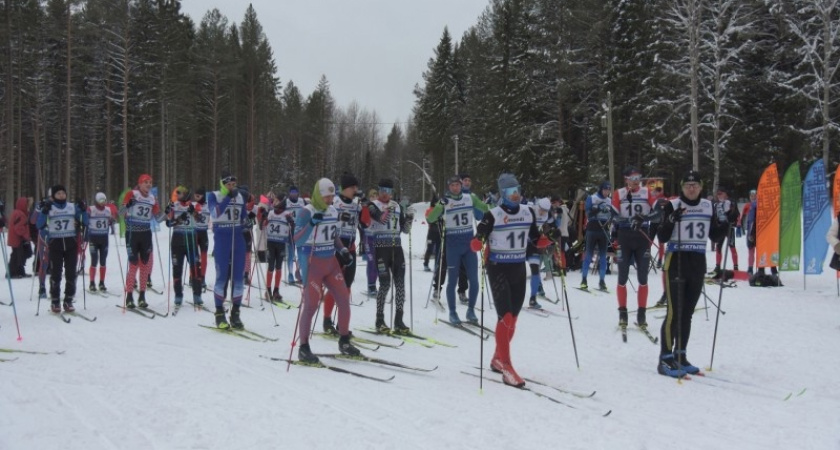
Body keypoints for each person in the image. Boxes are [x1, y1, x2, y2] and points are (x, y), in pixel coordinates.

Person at [472, 173, 540, 387]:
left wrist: (551, 238)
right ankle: (507, 368)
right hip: (497, 268)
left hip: (518, 268)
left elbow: (537, 239)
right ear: (502, 194)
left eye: (517, 190)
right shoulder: (493, 215)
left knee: (514, 319)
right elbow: (479, 237)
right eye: (511, 192)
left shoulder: (529, 212)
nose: (516, 195)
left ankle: (497, 359)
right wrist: (478, 241)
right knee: (506, 317)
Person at [656, 170, 725, 377]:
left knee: (687, 313)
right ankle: (665, 359)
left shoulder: (707, 206)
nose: (692, 189)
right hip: (677, 260)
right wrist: (671, 220)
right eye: (688, 186)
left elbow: (715, 234)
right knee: (674, 312)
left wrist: (727, 222)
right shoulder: (673, 205)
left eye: (695, 185)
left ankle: (680, 355)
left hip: (697, 261)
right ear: (682, 188)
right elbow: (662, 235)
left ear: (701, 187)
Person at [293, 178, 360, 362]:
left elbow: (334, 235)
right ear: (318, 195)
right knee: (311, 306)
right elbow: (297, 240)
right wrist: (311, 224)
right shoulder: (306, 212)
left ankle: (344, 340)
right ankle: (304, 347)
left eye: (331, 196)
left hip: (330, 262)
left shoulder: (332, 210)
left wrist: (343, 250)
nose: (330, 200)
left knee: (344, 299)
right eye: (326, 197)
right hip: (312, 263)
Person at [425, 175, 488, 324]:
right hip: (452, 245)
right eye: (452, 185)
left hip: (468, 244)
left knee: (474, 280)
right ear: (449, 187)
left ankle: (471, 310)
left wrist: (496, 204)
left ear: (461, 185)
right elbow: (430, 219)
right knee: (452, 281)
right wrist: (439, 205)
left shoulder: (470, 198)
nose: (455, 187)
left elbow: (485, 208)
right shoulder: (445, 201)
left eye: (457, 185)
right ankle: (453, 313)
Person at [612, 167, 660, 330]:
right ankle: (623, 313)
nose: (635, 181)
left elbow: (658, 213)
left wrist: (643, 218)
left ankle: (641, 314)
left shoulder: (647, 192)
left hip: (642, 237)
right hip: (624, 237)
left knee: (643, 278)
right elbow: (613, 215)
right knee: (622, 277)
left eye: (638, 177)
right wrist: (623, 220)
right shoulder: (619, 193)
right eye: (632, 178)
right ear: (626, 179)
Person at [321, 172, 366, 334]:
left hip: (351, 249)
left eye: (356, 187)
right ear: (346, 188)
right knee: (334, 286)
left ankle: (342, 323)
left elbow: (366, 224)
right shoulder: (335, 202)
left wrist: (366, 206)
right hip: (336, 249)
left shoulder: (357, 204)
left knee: (347, 286)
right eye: (353, 187)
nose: (356, 190)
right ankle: (327, 320)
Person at [367, 178, 413, 333]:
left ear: (392, 192)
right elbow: (380, 217)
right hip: (381, 248)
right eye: (381, 190)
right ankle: (379, 320)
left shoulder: (397, 206)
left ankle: (399, 320)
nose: (384, 194)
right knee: (385, 283)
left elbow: (405, 230)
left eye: (387, 191)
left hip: (396, 247)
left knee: (400, 284)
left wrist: (409, 219)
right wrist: (388, 210)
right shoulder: (373, 205)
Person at [207, 170, 249, 329]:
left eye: (234, 184)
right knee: (222, 276)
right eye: (228, 184)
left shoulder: (240, 197)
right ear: (222, 184)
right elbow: (214, 213)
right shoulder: (214, 195)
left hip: (238, 240)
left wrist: (247, 222)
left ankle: (236, 314)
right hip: (222, 240)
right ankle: (219, 313)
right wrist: (227, 199)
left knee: (238, 278)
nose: (232, 187)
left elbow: (243, 217)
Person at [37, 185, 89, 313]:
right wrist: (44, 211)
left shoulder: (72, 207)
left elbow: (86, 222)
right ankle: (55, 301)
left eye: (63, 193)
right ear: (54, 195)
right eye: (58, 193)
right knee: (56, 273)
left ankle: (68, 300)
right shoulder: (50, 207)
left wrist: (83, 210)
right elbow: (39, 225)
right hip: (55, 244)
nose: (61, 195)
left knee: (71, 273)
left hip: (71, 243)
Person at [120, 174, 166, 309]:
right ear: (139, 184)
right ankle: (129, 296)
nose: (149, 185)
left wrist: (168, 212)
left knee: (145, 265)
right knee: (133, 264)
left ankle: (142, 296)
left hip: (146, 234)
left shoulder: (152, 198)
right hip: (132, 234)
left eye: (150, 182)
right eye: (145, 182)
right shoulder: (131, 194)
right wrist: (128, 205)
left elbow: (158, 217)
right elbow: (120, 212)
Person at [165, 186, 204, 306]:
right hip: (177, 240)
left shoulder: (193, 205)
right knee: (177, 268)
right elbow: (168, 223)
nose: (178, 195)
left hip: (191, 240)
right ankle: (178, 295)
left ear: (186, 194)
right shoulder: (174, 205)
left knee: (195, 268)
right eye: (177, 193)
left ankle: (197, 295)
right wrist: (178, 219)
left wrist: (194, 213)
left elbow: (201, 220)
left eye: (180, 193)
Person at [581, 181, 616, 291]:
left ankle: (602, 281)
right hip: (592, 228)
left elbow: (613, 215)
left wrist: (612, 215)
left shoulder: (610, 201)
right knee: (589, 255)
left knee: (603, 257)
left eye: (609, 190)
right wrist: (596, 210)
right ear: (601, 189)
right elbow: (588, 214)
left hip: (604, 229)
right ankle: (584, 279)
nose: (607, 192)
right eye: (605, 189)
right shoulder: (592, 198)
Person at [261, 192, 292, 302]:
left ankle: (276, 290)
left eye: (277, 201)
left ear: (282, 202)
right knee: (270, 266)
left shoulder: (287, 214)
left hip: (281, 243)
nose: (274, 203)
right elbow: (262, 226)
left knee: (279, 267)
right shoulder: (270, 213)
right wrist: (263, 219)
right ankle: (268, 290)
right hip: (271, 243)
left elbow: (293, 228)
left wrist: (291, 223)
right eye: (274, 201)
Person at [87, 193, 117, 292]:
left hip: (104, 239)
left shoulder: (108, 210)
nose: (103, 203)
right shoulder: (91, 209)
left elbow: (111, 219)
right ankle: (92, 283)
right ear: (96, 200)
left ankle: (101, 282)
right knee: (94, 260)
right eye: (100, 200)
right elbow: (85, 218)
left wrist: (112, 220)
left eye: (104, 200)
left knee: (103, 261)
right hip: (93, 238)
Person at [711, 187, 740, 276]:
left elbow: (737, 214)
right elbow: (713, 215)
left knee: (732, 246)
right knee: (718, 247)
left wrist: (737, 223)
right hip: (720, 227)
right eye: (718, 194)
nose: (719, 196)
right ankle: (717, 267)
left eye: (721, 194)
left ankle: (735, 267)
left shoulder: (730, 202)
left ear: (725, 194)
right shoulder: (716, 204)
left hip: (729, 227)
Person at [284, 185, 308, 284]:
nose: (293, 194)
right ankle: (290, 274)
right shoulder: (286, 202)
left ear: (298, 193)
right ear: (289, 193)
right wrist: (286, 217)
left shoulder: (302, 201)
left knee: (301, 253)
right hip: (290, 229)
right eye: (292, 192)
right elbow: (278, 210)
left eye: (295, 192)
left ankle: (299, 273)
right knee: (291, 253)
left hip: (300, 230)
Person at [6, 196, 32, 278]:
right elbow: (18, 228)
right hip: (18, 239)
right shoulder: (20, 214)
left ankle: (20, 271)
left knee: (21, 255)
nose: (28, 206)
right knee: (17, 256)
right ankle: (12, 273)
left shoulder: (19, 213)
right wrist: (26, 236)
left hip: (17, 239)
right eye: (27, 204)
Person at [362, 187, 379, 296]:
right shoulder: (367, 206)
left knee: (378, 262)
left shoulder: (379, 207)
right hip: (368, 237)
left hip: (378, 237)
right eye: (371, 196)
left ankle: (374, 284)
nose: (373, 198)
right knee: (371, 261)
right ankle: (371, 285)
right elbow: (364, 221)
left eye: (375, 195)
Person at [192, 188, 210, 291]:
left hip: (204, 233)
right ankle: (193, 277)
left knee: (204, 257)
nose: (196, 198)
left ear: (203, 195)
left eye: (198, 196)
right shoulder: (194, 205)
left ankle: (202, 277)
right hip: (195, 232)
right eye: (195, 196)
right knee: (194, 257)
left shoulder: (209, 205)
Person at [741, 189, 757, 275]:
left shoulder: (760, 204)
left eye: (754, 195)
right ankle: (750, 268)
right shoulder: (747, 205)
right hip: (750, 231)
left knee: (760, 250)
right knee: (751, 250)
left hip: (758, 230)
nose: (753, 197)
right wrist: (740, 226)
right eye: (751, 196)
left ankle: (761, 268)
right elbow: (742, 216)